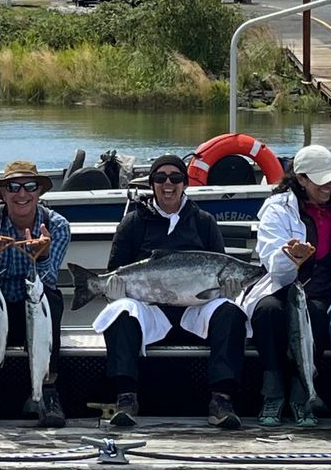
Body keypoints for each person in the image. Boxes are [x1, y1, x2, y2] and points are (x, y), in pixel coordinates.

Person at [96, 154, 248, 430]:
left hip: (196, 307)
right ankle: (126, 398)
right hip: (149, 308)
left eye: (176, 178)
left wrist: (230, 289)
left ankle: (221, 400)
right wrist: (111, 291)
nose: (168, 184)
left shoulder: (204, 221)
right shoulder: (133, 223)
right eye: (160, 178)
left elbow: (220, 265)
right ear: (152, 184)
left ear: (185, 184)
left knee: (231, 312)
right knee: (117, 311)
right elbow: (115, 269)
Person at [0, 159, 72, 428]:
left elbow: (49, 282)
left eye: (29, 186)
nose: (22, 194)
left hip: (30, 308)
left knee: (51, 302)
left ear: (39, 192)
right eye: (13, 187)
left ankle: (46, 392)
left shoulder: (57, 226)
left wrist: (42, 256)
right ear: (3, 193)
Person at [246, 145, 331, 427]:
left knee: (317, 313)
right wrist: (292, 258)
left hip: (324, 289)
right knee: (267, 312)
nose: (329, 186)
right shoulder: (277, 209)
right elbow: (274, 268)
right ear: (301, 179)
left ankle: (303, 395)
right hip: (283, 285)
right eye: (321, 180)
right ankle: (273, 392)